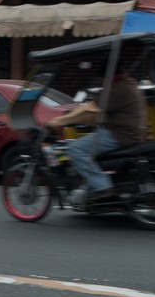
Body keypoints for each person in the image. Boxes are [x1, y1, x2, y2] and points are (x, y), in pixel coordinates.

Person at [46, 63, 147, 203]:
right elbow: (94, 112)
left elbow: (91, 107)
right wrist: (72, 118)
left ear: (107, 77)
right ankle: (92, 187)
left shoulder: (117, 88)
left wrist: (60, 120)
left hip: (121, 135)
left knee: (75, 149)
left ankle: (102, 186)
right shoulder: (128, 84)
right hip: (127, 132)